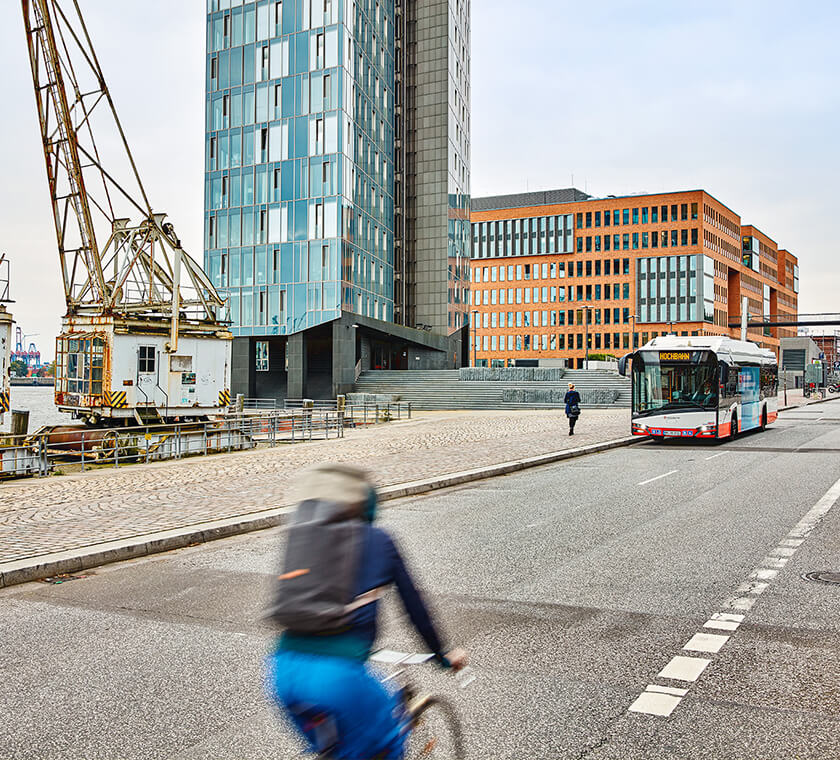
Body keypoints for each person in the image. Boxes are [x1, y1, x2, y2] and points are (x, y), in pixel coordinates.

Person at [265, 463, 468, 760]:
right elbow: (416, 610)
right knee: (387, 747)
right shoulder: (378, 540)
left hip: (284, 672)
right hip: (337, 679)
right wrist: (442, 655)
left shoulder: (306, 537)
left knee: (340, 751)